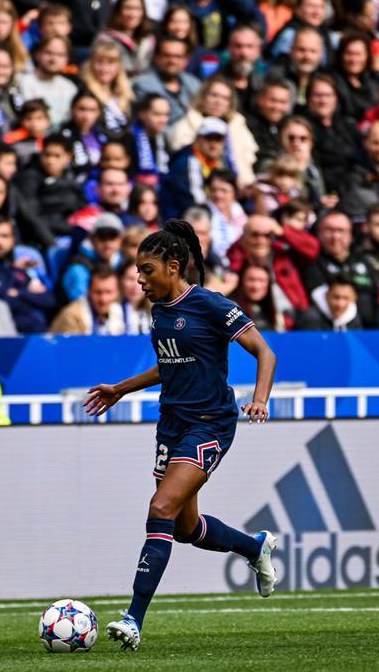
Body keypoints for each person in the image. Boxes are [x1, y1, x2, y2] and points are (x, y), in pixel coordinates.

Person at [83, 220, 278, 651]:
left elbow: (265, 352)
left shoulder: (210, 304)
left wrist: (260, 399)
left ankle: (133, 619)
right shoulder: (159, 312)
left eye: (147, 269)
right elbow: (171, 365)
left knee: (161, 506)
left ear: (174, 266)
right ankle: (255, 547)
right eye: (137, 270)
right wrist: (121, 388)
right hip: (171, 424)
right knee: (186, 528)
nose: (138, 278)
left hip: (210, 423)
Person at [294, 272, 361, 331]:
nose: (340, 304)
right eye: (336, 297)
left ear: (354, 298)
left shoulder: (354, 319)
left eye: (346, 298)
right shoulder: (311, 319)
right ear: (326, 295)